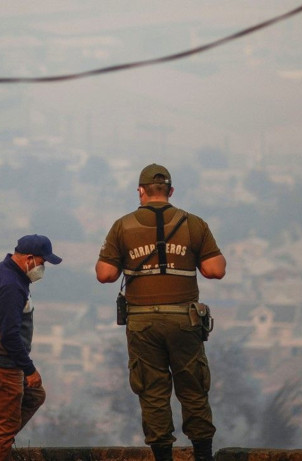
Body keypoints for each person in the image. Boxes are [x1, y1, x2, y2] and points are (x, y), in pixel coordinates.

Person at [95, 164, 226, 461]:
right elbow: (215, 270)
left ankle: (163, 456)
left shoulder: (122, 226)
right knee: (193, 387)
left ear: (140, 191)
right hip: (184, 319)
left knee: (152, 391)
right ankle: (203, 455)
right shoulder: (193, 224)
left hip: (142, 322)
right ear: (171, 191)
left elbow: (105, 274)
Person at [0, 234, 62, 461]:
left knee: (35, 395)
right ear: (29, 258)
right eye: (42, 262)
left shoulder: (1, 271)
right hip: (3, 364)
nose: (42, 268)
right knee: (5, 427)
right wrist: (30, 370)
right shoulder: (11, 285)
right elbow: (10, 336)